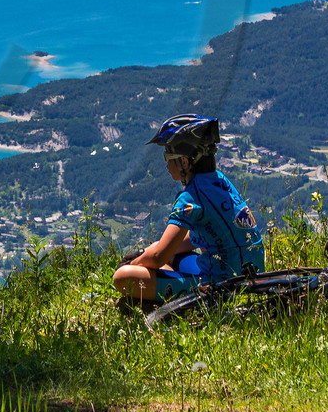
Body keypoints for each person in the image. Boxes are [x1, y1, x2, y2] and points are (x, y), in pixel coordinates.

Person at [111, 115, 265, 310]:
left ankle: (169, 300)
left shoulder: (190, 197)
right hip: (251, 277)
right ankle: (162, 289)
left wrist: (135, 263)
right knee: (172, 255)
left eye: (168, 157)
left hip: (219, 287)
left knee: (123, 277)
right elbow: (193, 239)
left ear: (184, 162)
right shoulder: (219, 181)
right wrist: (151, 253)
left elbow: (159, 257)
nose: (166, 164)